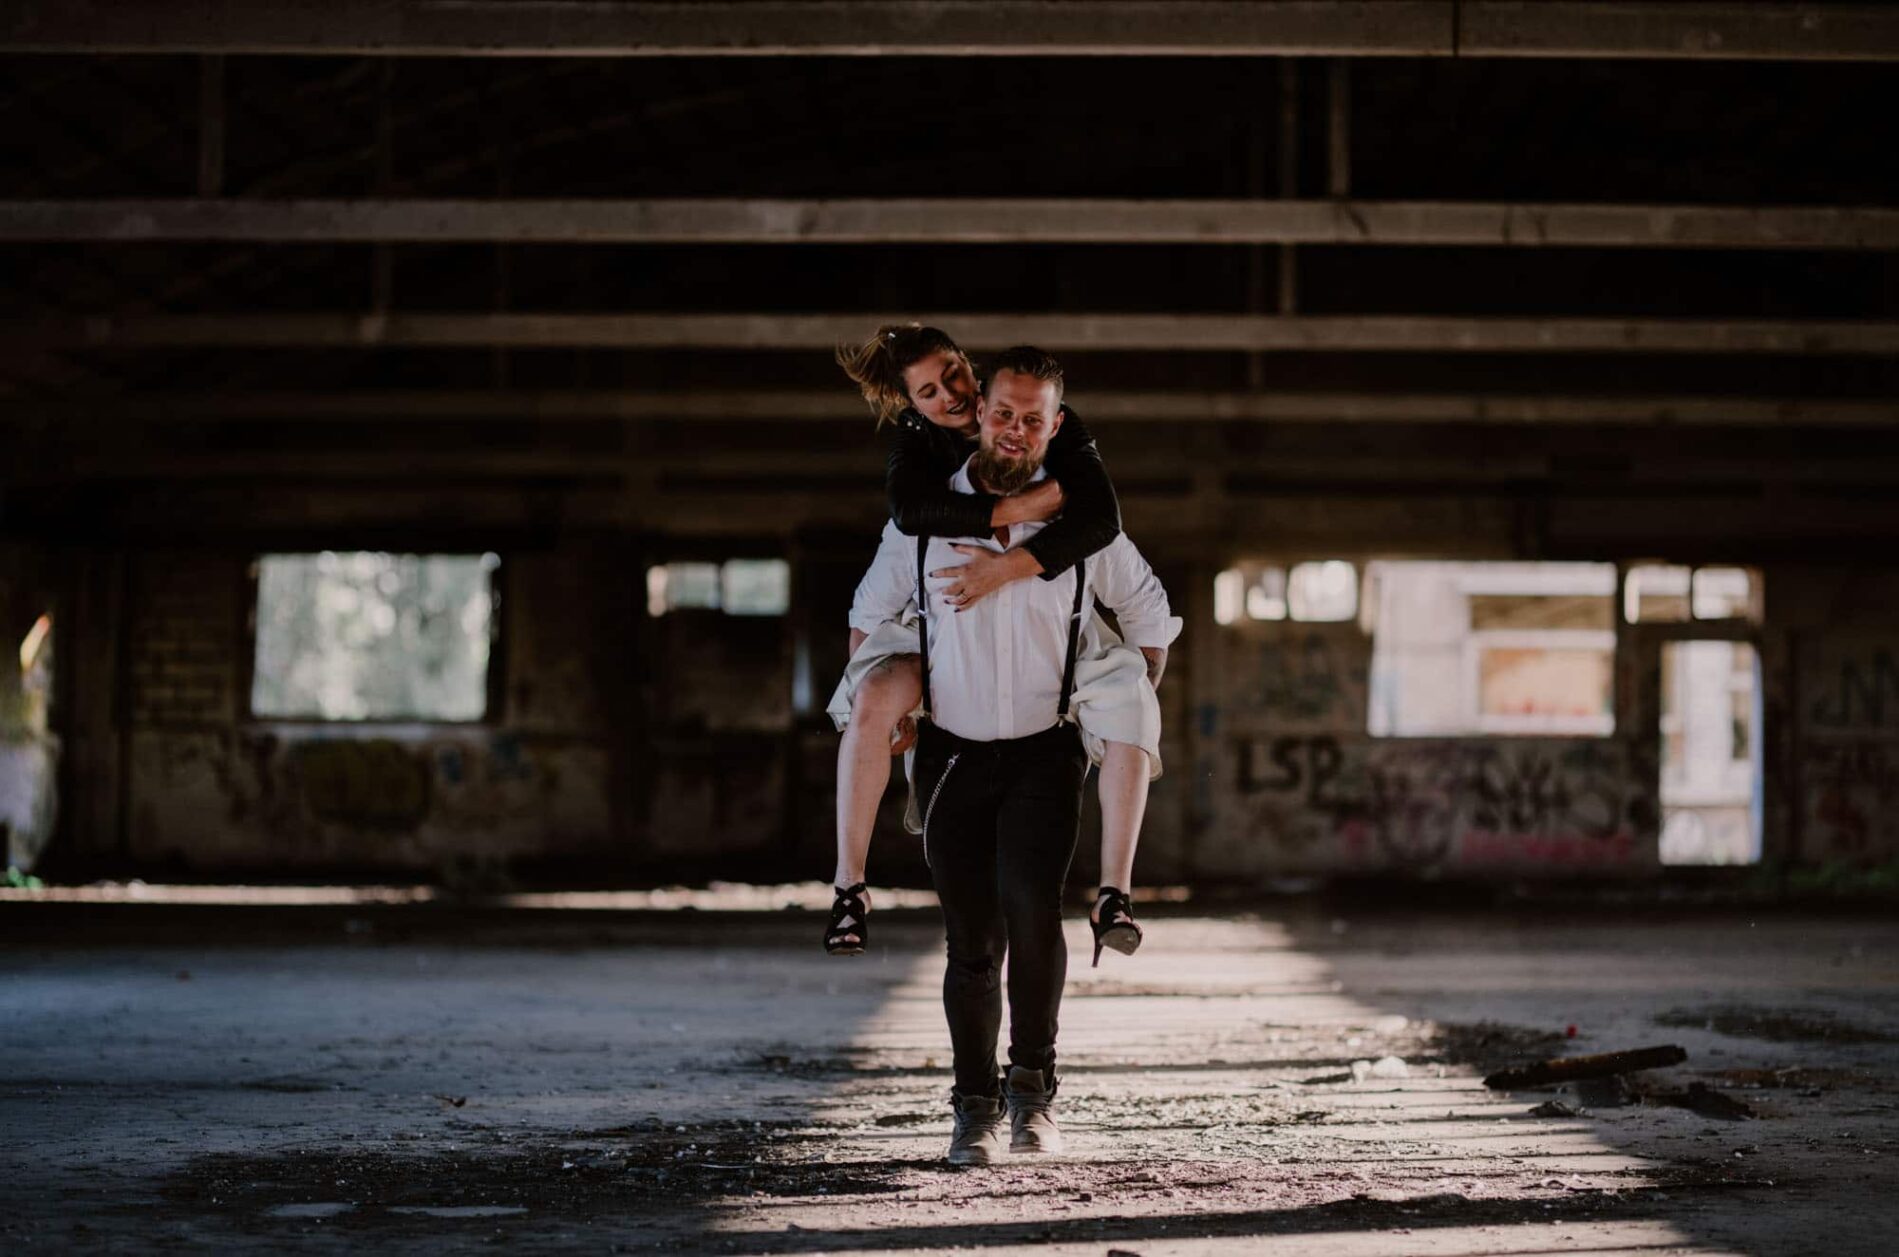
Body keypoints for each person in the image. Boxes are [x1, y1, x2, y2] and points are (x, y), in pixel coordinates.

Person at [843, 347, 1179, 1164]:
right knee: (971, 939)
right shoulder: (922, 518)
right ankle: (972, 1109)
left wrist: (1118, 700)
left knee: (1033, 916)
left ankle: (1032, 1093)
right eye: (1003, 411)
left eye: (1035, 419)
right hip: (953, 752)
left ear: (1054, 426)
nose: (1016, 429)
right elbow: (866, 609)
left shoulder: (1079, 525)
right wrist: (880, 707)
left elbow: (1149, 613)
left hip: (1043, 752)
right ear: (976, 412)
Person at [823, 324, 1157, 966]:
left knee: (1129, 692)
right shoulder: (917, 447)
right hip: (938, 641)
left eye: (953, 373)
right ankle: (849, 888)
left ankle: (1116, 892)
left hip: (1043, 660)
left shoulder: (1049, 419)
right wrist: (1021, 508)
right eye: (929, 390)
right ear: (914, 405)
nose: (948, 394)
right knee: (869, 697)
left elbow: (1104, 521)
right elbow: (905, 529)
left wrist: (1006, 565)